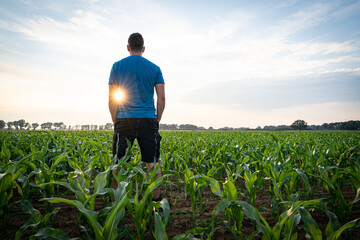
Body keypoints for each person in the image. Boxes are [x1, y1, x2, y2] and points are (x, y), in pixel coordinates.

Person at [108, 32, 165, 201]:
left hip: (124, 119)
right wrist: (157, 118)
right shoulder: (155, 68)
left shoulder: (117, 66)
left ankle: (115, 203)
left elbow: (112, 97)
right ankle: (156, 202)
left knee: (118, 163)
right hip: (148, 119)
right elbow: (161, 98)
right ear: (143, 48)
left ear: (128, 47)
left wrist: (115, 118)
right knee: (152, 162)